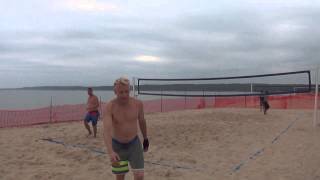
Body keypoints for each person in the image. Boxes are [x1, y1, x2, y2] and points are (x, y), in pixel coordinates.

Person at [103, 77, 149, 180]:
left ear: (130, 90)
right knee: (120, 176)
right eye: (121, 92)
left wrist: (145, 138)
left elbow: (142, 121)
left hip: (134, 144)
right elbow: (107, 131)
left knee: (139, 176)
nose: (124, 95)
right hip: (118, 145)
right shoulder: (110, 106)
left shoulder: (138, 104)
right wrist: (111, 152)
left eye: (126, 91)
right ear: (115, 91)